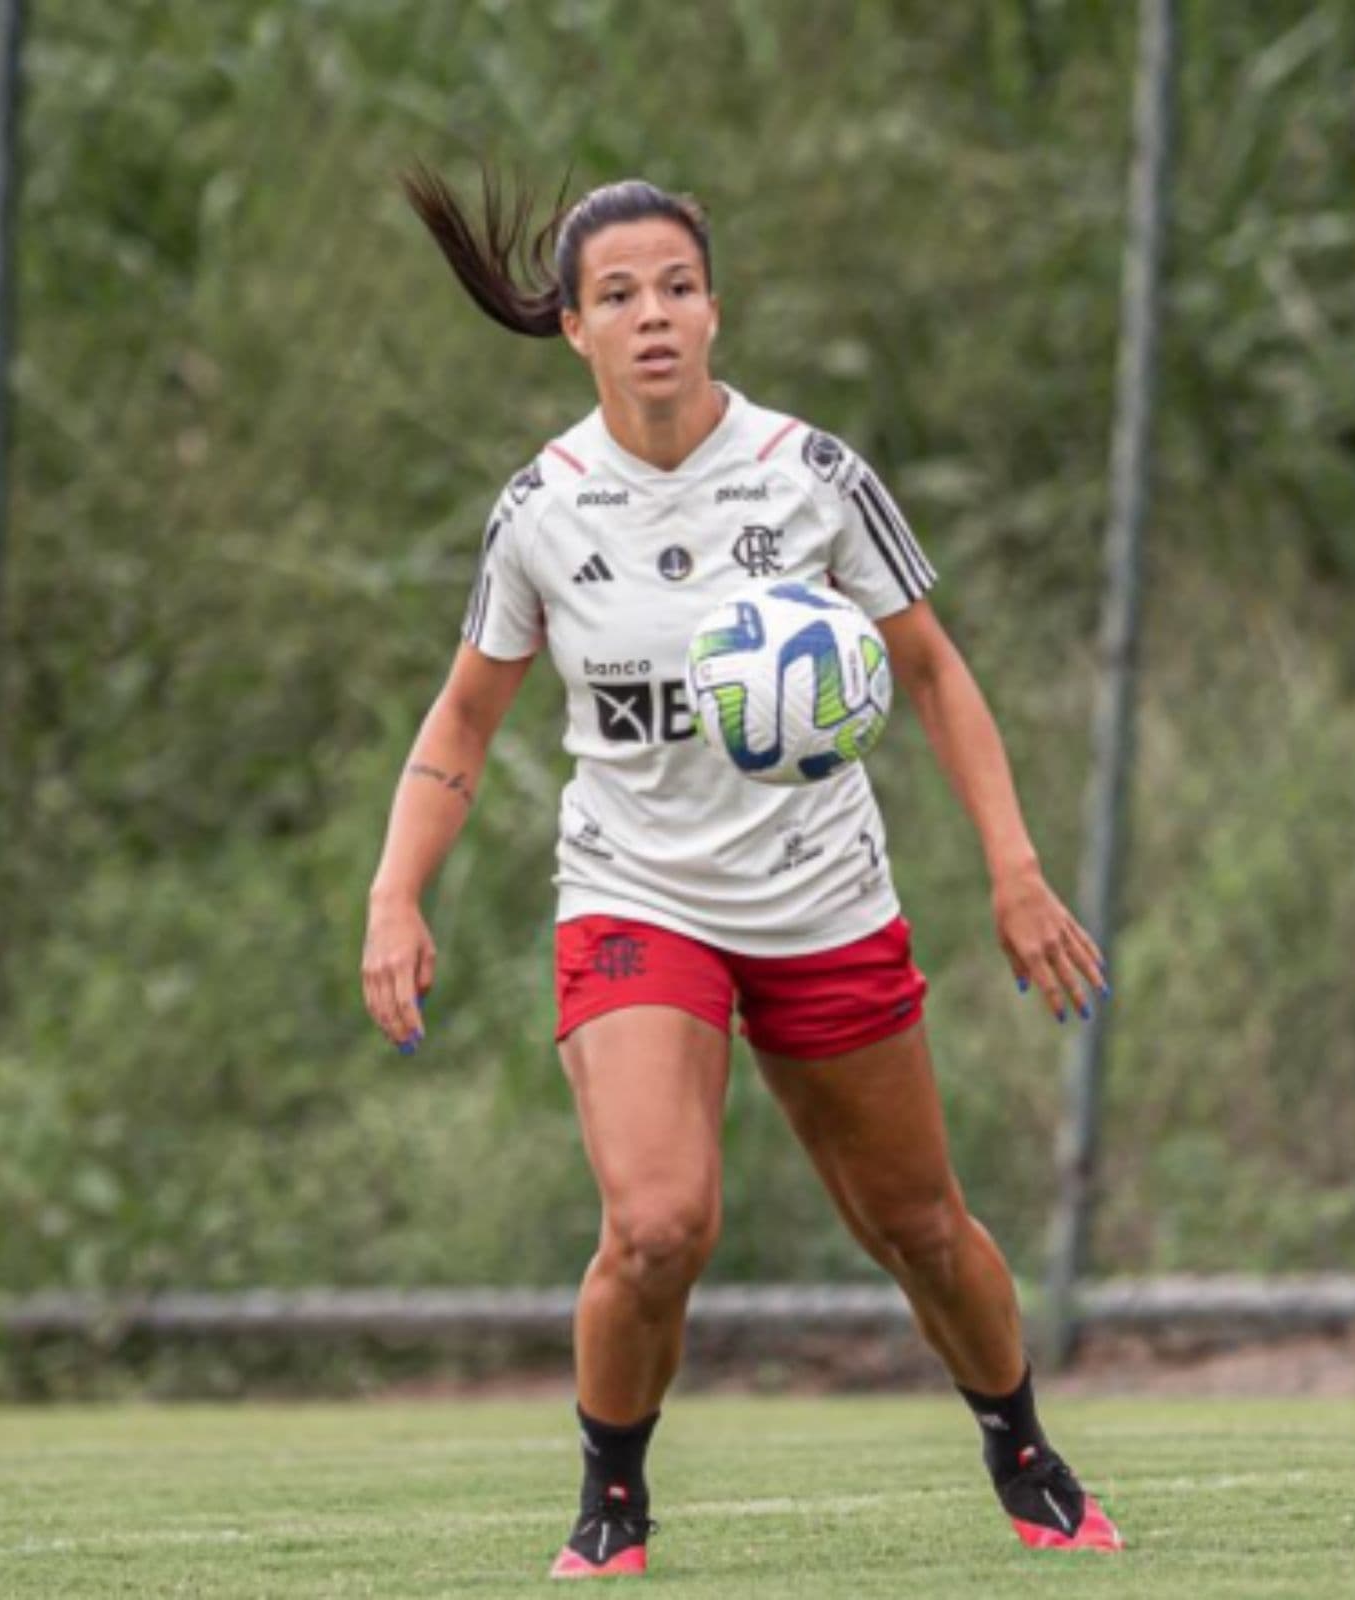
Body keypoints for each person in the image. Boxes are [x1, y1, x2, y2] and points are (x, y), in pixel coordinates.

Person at [360, 166, 1119, 1580]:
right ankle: (613, 1501)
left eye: (679, 287)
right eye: (619, 296)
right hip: (637, 896)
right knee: (658, 1224)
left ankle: (1021, 1446)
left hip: (824, 896)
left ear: (715, 308)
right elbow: (462, 719)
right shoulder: (543, 510)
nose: (655, 317)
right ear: (574, 331)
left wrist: (1014, 871)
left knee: (917, 1225)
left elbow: (936, 676)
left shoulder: (811, 474)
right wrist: (394, 893)